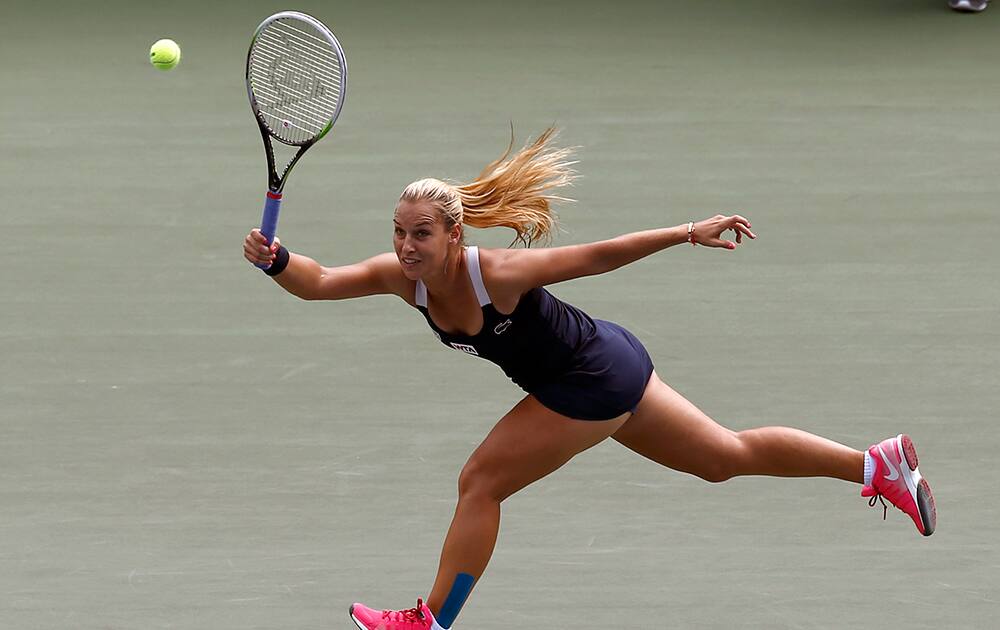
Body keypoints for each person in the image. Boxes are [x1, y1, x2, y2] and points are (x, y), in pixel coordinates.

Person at [242, 128, 936, 630]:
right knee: (726, 458)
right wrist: (278, 260)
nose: (404, 245)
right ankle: (874, 465)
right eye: (398, 231)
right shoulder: (405, 279)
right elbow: (323, 281)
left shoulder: (499, 274)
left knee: (480, 482)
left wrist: (686, 230)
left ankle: (430, 623)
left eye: (420, 233)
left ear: (454, 235)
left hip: (591, 377)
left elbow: (597, 256)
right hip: (610, 364)